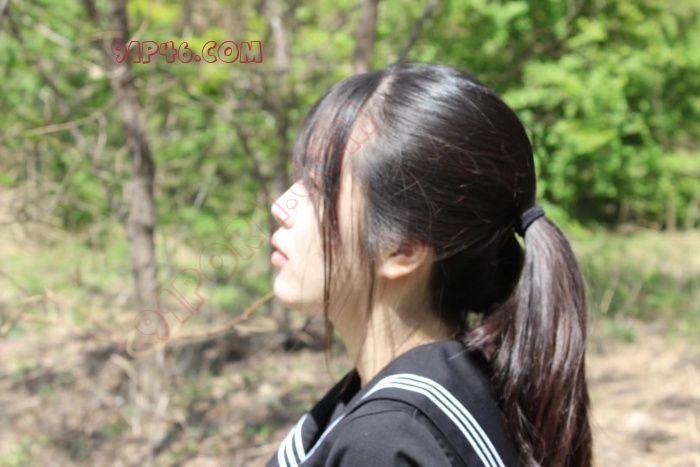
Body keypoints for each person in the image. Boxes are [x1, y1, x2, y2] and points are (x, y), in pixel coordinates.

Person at [265, 62, 592, 467]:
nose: (282, 205)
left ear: (403, 249)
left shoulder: (389, 445)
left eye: (319, 187)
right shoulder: (459, 389)